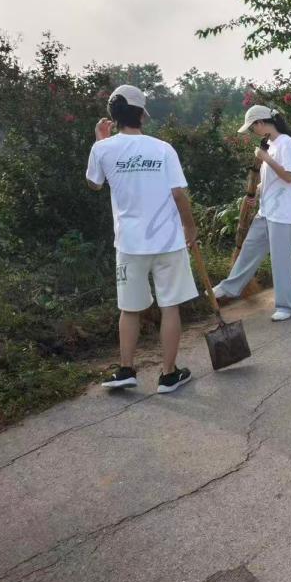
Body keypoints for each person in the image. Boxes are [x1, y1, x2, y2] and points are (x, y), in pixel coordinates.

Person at [87, 85, 198, 394]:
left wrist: (100, 142)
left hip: (129, 243)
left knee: (130, 308)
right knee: (170, 306)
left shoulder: (103, 149)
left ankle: (125, 370)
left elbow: (94, 184)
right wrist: (190, 228)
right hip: (168, 241)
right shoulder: (163, 149)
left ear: (113, 116)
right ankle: (168, 375)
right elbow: (178, 194)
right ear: (142, 115)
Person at [213, 105, 291, 322]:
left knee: (280, 262)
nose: (252, 131)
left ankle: (288, 306)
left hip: (283, 214)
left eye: (252, 127)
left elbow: (289, 176)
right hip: (266, 211)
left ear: (261, 123)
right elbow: (271, 179)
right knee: (249, 250)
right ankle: (229, 288)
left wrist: (266, 158)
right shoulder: (270, 145)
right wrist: (258, 192)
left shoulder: (286, 143)